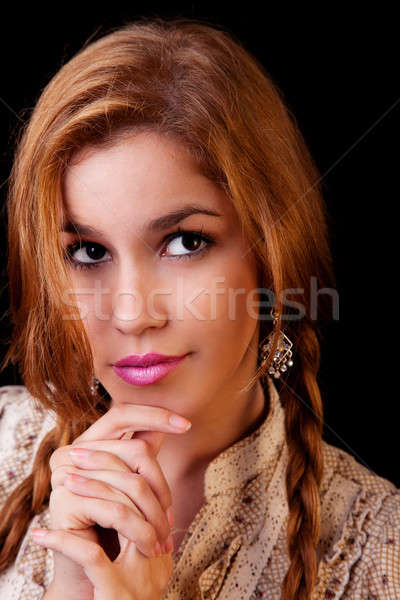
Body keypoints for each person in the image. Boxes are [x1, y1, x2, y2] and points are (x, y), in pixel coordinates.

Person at [0, 15, 398, 600]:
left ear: (271, 253)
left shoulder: (376, 548)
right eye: (87, 251)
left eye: (185, 242)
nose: (133, 314)